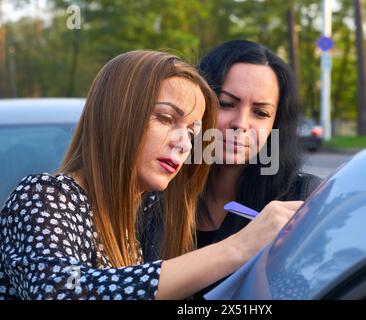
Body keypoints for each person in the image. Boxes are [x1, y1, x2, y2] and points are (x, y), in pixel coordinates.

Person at [0, 50, 302, 300]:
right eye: (165, 118)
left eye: (193, 132)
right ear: (117, 114)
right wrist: (238, 247)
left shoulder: (143, 211)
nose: (183, 143)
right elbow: (60, 294)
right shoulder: (44, 196)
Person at [141, 41, 322, 297]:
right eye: (226, 104)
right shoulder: (154, 190)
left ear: (276, 124)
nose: (241, 123)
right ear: (197, 104)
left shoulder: (300, 198)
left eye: (260, 113)